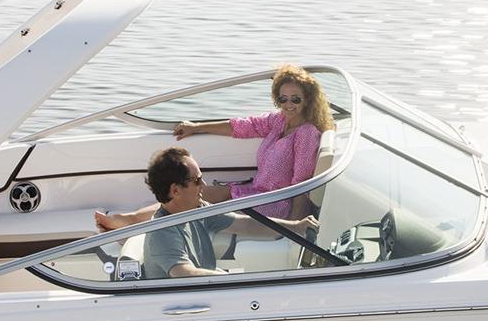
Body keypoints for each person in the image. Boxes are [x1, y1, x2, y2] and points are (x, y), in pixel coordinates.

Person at [95, 63, 333, 232]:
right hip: (255, 192)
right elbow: (244, 126)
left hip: (275, 204)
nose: (288, 105)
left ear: (308, 100)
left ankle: (132, 223)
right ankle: (132, 220)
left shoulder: (306, 134)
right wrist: (196, 127)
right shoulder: (279, 121)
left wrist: (294, 229)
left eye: (295, 99)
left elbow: (301, 186)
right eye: (283, 99)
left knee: (195, 201)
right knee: (195, 194)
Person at [139, 147, 317, 278]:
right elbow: (183, 273)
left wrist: (296, 226)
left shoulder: (196, 210)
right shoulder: (162, 233)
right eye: (197, 180)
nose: (204, 185)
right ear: (175, 190)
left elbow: (245, 225)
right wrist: (232, 281)